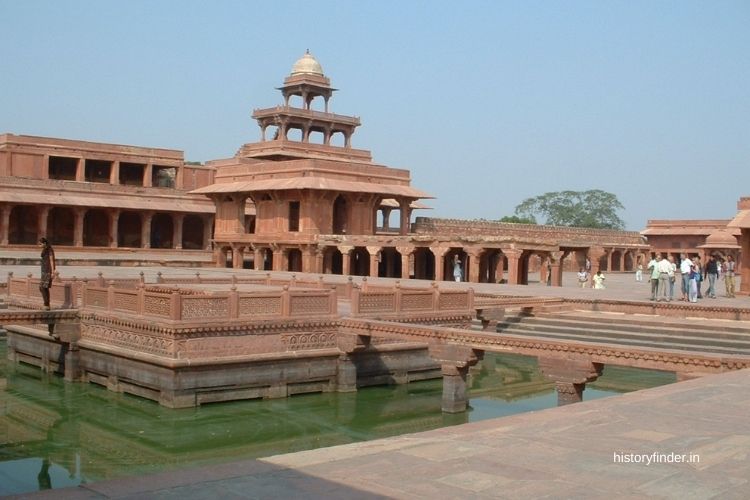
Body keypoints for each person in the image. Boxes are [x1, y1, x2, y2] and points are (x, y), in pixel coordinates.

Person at [39, 237, 56, 310]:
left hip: (48, 270)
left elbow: (52, 261)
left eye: (40, 244)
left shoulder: (50, 250)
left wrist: (52, 272)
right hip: (44, 270)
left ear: (44, 243)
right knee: (42, 287)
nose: (39, 245)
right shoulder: (45, 249)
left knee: (43, 287)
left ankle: (46, 304)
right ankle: (46, 304)